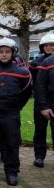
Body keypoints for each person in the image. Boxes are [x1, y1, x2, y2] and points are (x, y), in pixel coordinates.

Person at [0, 38, 32, 186]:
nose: (4, 55)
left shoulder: (22, 73)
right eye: (1, 52)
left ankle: (12, 171)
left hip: (11, 113)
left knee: (11, 143)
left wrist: (16, 106)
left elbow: (26, 92)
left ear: (13, 53)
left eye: (7, 52)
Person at [30, 33, 54, 167]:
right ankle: (39, 156)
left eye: (51, 45)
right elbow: (36, 83)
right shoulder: (35, 63)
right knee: (40, 130)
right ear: (42, 47)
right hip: (41, 101)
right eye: (46, 45)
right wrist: (42, 102)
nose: (49, 47)